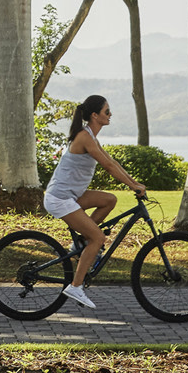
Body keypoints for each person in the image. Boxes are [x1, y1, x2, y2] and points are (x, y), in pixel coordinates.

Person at [42, 94, 145, 309]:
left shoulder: (90, 135)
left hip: (71, 195)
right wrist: (133, 186)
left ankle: (80, 243)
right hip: (60, 199)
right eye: (107, 111)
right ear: (95, 115)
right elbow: (108, 167)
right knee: (98, 238)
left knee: (109, 200)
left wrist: (135, 183)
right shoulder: (84, 137)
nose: (110, 115)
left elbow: (111, 162)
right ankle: (75, 286)